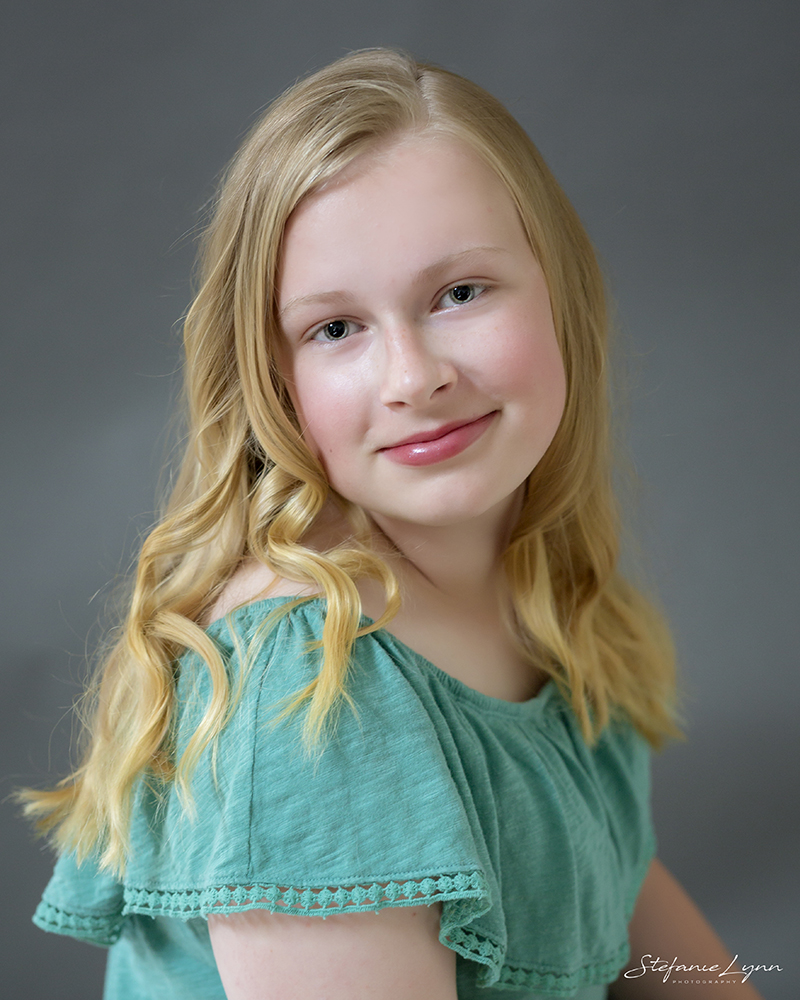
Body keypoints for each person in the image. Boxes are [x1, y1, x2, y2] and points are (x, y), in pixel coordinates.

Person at [21, 49, 765, 1000]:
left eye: (458, 294)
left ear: (560, 295)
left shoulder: (539, 587)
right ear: (272, 384)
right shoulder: (312, 691)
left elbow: (600, 889)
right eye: (336, 329)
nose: (414, 379)